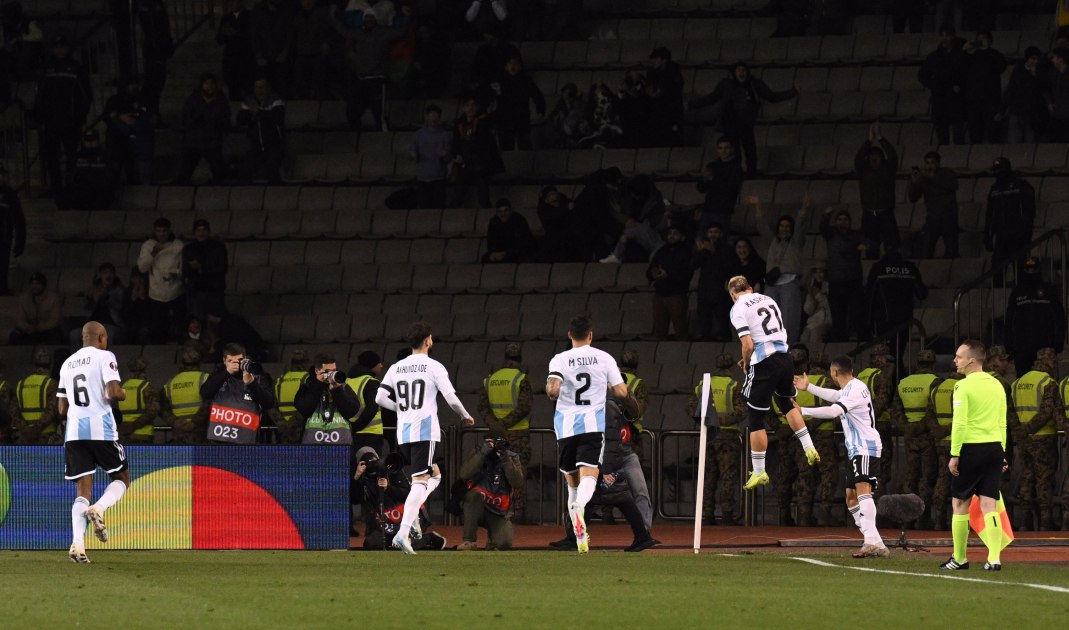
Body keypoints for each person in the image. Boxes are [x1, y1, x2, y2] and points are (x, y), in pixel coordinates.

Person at [375, 321, 475, 554]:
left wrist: (400, 408)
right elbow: (450, 398)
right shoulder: (433, 366)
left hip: (403, 431)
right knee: (421, 481)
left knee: (435, 476)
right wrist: (465, 415)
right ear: (428, 340)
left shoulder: (396, 367)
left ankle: (413, 509)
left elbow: (380, 398)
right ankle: (403, 532)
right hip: (424, 430)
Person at [545, 314, 636, 553]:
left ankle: (578, 535)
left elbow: (552, 389)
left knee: (571, 482)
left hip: (564, 427)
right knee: (590, 476)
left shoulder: (560, 359)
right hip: (591, 425)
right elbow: (621, 391)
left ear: (569, 335)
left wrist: (554, 390)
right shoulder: (604, 358)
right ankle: (580, 507)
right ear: (591, 335)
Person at [726, 276, 819, 493]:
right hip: (784, 358)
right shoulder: (767, 299)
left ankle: (759, 471)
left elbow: (748, 344)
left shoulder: (737, 307)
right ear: (750, 288)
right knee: (786, 403)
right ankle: (809, 447)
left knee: (756, 417)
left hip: (764, 361)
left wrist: (747, 364)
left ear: (732, 294)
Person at [794, 355, 889, 558]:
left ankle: (871, 542)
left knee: (863, 491)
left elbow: (833, 411)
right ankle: (875, 540)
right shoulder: (850, 388)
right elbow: (834, 396)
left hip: (866, 446)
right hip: (855, 448)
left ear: (834, 372)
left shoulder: (854, 390)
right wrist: (809, 388)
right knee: (851, 498)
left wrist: (803, 411)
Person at [58, 321, 129, 564]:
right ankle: (99, 508)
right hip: (102, 429)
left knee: (82, 490)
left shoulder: (67, 364)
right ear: (101, 337)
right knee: (121, 479)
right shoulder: (105, 356)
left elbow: (61, 408)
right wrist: (123, 393)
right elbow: (112, 392)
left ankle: (78, 544)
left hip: (74, 432)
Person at [939, 340, 1009, 571]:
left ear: (971, 360)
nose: (955, 361)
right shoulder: (997, 384)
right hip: (994, 448)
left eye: (959, 357)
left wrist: (954, 454)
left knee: (960, 503)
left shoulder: (963, 386)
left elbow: (960, 423)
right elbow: (1002, 423)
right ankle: (994, 558)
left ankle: (959, 558)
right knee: (990, 503)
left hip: (971, 448)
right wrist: (1003, 453)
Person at [689, 62, 797, 175]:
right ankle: (735, 176)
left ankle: (751, 176)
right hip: (730, 123)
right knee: (734, 153)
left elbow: (772, 97)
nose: (741, 72)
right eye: (738, 70)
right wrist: (691, 105)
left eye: (743, 70)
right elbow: (712, 98)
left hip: (746, 124)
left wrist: (793, 92)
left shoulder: (754, 84)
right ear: (734, 72)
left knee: (750, 152)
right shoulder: (726, 84)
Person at [332, 4, 411, 131]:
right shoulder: (359, 33)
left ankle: (384, 139)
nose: (369, 20)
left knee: (379, 113)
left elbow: (400, 32)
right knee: (353, 111)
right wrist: (334, 16)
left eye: (371, 17)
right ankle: (357, 137)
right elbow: (343, 30)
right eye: (366, 17)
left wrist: (407, 17)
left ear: (375, 19)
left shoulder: (383, 32)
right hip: (362, 79)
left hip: (378, 80)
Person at [688, 353, 745, 525]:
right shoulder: (734, 385)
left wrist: (706, 421)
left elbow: (691, 407)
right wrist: (723, 421)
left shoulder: (703, 384)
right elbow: (742, 411)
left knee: (708, 476)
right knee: (727, 477)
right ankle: (727, 516)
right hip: (728, 437)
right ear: (730, 367)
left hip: (708, 434)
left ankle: (707, 515)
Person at [353, 446, 446, 551]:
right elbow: (355, 499)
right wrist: (357, 477)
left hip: (408, 517)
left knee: (403, 543)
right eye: (367, 463)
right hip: (386, 523)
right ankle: (403, 541)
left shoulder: (392, 468)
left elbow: (407, 494)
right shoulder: (362, 479)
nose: (372, 465)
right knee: (371, 544)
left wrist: (388, 488)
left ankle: (430, 538)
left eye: (374, 461)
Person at [478, 343, 531, 522]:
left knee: (495, 474)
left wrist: (496, 425)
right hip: (518, 436)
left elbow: (482, 407)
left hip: (496, 436)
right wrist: (506, 424)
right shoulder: (521, 378)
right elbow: (524, 407)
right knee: (518, 474)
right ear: (521, 358)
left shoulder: (490, 379)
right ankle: (516, 514)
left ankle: (496, 511)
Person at [1010, 347, 1061, 532]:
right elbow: (1047, 413)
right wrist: (1029, 429)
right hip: (1044, 439)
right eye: (1054, 362)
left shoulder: (1017, 383)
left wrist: (1021, 431)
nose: (1055, 365)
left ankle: (1024, 521)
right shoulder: (1049, 382)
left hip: (1024, 441)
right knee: (1044, 480)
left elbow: (1010, 413)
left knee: (1027, 478)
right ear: (1048, 362)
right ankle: (1046, 523)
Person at [891, 349, 942, 529]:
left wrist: (908, 428)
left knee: (911, 477)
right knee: (927, 477)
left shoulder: (904, 383)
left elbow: (895, 413)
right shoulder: (936, 382)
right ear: (933, 364)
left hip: (910, 437)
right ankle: (923, 517)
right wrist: (921, 427)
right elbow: (934, 409)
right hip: (927, 436)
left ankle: (907, 519)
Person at [750, 192, 811, 344]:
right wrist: (758, 206)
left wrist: (804, 209)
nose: (784, 229)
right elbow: (762, 227)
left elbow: (801, 227)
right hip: (772, 284)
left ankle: (789, 346)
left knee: (789, 318)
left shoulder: (796, 242)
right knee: (769, 318)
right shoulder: (772, 241)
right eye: (781, 226)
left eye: (787, 226)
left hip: (789, 282)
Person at [36, 36, 92, 194]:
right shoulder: (48, 68)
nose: (60, 50)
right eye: (57, 46)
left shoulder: (75, 68)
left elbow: (86, 95)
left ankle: (71, 186)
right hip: (51, 121)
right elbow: (41, 94)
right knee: (52, 158)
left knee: (71, 156)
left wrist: (79, 118)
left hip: (70, 121)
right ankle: (57, 188)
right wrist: (39, 115)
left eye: (63, 46)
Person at [456, 436, 524, 550]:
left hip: (498, 511)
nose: (495, 446)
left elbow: (517, 482)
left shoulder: (512, 457)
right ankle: (469, 541)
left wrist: (505, 458)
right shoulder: (478, 453)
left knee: (504, 543)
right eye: (492, 443)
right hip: (477, 508)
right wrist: (483, 453)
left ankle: (493, 540)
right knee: (473, 496)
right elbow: (464, 474)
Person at [201, 342, 276, 444]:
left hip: (246, 444)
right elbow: (205, 393)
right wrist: (226, 372)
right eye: (231, 361)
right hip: (218, 442)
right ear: (224, 360)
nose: (235, 365)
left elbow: (269, 403)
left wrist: (251, 383)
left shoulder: (257, 378)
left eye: (239, 361)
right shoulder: (217, 376)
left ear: (245, 359)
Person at [1005, 257, 1066, 377]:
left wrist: (1057, 344)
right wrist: (1010, 346)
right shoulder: (1017, 292)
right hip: (1022, 349)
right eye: (1028, 270)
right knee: (1024, 382)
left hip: (1045, 348)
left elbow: (1059, 319)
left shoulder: (1049, 291)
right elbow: (1009, 320)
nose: (1031, 273)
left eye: (1033, 269)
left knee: (1045, 383)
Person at [865, 247, 927, 356]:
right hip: (905, 319)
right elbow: (922, 294)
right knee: (898, 353)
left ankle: (895, 371)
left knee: (888, 355)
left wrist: (868, 321)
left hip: (884, 319)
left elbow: (869, 295)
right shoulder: (910, 268)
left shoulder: (878, 268)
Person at [984, 157, 1035, 284]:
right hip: (1001, 235)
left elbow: (1030, 212)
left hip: (1019, 235)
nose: (996, 174)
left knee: (1021, 270)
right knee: (998, 271)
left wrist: (1027, 234)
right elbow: (989, 214)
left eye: (998, 170)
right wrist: (987, 236)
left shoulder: (1021, 186)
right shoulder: (994, 189)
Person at [820, 207, 867, 341]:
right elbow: (823, 228)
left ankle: (862, 339)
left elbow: (871, 243)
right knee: (838, 315)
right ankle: (840, 341)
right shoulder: (832, 234)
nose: (842, 222)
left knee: (857, 313)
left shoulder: (856, 235)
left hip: (853, 280)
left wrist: (864, 246)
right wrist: (826, 216)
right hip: (836, 281)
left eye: (845, 219)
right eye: (839, 219)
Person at [925, 364, 963, 530]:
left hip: (940, 442)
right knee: (961, 480)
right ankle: (961, 520)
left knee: (942, 478)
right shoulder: (961, 387)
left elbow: (930, 416)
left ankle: (938, 520)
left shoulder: (937, 389)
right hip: (958, 442)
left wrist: (938, 431)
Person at [175, 73, 231, 185]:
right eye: (206, 83)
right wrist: (197, 121)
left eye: (212, 83)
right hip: (193, 142)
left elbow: (225, 119)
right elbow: (185, 119)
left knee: (219, 172)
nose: (209, 86)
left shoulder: (221, 100)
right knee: (184, 173)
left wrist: (216, 126)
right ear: (202, 85)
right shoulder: (193, 99)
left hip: (212, 142)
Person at [855, 122, 899, 259]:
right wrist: (869, 141)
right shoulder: (863, 171)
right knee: (871, 249)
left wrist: (880, 138)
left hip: (886, 214)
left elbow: (893, 156)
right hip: (869, 215)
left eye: (877, 155)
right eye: (871, 156)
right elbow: (857, 159)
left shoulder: (888, 170)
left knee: (891, 248)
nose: (874, 158)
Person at [136, 217, 184, 343]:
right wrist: (153, 253)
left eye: (164, 231)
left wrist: (176, 274)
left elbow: (184, 269)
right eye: (159, 231)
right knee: (157, 330)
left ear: (169, 231)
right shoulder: (148, 245)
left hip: (175, 292)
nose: (162, 234)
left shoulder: (178, 246)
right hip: (155, 294)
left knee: (177, 327)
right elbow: (142, 268)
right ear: (154, 232)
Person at [450, 97, 503, 209]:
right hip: (465, 165)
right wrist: (457, 155)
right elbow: (456, 144)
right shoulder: (459, 124)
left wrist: (499, 96)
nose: (471, 108)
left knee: (483, 197)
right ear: (464, 108)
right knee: (457, 197)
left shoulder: (484, 121)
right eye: (468, 105)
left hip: (481, 165)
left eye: (473, 105)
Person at [294, 352, 359, 444]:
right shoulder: (307, 386)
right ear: (317, 371)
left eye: (334, 371)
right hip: (312, 446)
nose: (331, 375)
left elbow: (352, 411)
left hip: (340, 446)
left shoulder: (342, 386)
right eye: (327, 372)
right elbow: (305, 410)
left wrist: (337, 390)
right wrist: (318, 385)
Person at [919, 25, 967, 145]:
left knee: (958, 137)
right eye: (942, 35)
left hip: (957, 101)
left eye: (948, 35)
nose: (945, 39)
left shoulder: (961, 55)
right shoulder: (933, 57)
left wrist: (960, 86)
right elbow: (922, 75)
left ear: (953, 37)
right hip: (940, 100)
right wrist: (935, 86)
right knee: (942, 138)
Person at [101, 75, 154, 184]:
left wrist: (120, 118)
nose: (136, 86)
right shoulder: (114, 100)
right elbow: (107, 117)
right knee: (115, 175)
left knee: (134, 176)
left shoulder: (142, 99)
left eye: (136, 84)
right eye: (132, 84)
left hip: (136, 144)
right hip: (117, 142)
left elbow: (145, 118)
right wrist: (119, 118)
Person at [856, 345, 895, 494]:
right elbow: (882, 401)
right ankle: (878, 508)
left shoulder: (860, 375)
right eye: (885, 358)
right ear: (878, 358)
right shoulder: (880, 375)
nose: (887, 363)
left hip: (860, 428)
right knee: (880, 468)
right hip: (878, 427)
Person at [486, 55, 544, 150]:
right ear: (505, 67)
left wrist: (541, 109)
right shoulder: (500, 80)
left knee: (524, 146)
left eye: (515, 64)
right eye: (510, 64)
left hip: (521, 117)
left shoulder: (525, 80)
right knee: (505, 147)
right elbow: (490, 98)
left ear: (520, 66)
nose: (512, 66)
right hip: (504, 120)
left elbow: (537, 95)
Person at [908, 151, 959, 259]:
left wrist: (932, 177)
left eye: (932, 163)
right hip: (932, 219)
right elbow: (913, 198)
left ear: (938, 164)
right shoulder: (923, 178)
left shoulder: (947, 173)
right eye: (927, 163)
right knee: (926, 252)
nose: (929, 166)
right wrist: (914, 183)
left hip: (948, 218)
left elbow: (952, 185)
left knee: (951, 252)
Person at [646, 226, 694, 340]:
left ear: (682, 236)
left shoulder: (686, 252)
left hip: (676, 295)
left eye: (675, 233)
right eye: (670, 233)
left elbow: (686, 274)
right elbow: (650, 269)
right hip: (659, 294)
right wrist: (653, 274)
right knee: (659, 330)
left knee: (680, 329)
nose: (671, 236)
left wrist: (668, 275)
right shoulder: (661, 251)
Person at [237, 77, 285, 183]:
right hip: (256, 145)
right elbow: (240, 120)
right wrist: (250, 113)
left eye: (262, 87)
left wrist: (259, 112)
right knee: (244, 172)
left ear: (268, 87)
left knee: (271, 171)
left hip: (274, 145)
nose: (260, 90)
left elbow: (277, 118)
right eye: (257, 87)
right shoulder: (249, 100)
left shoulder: (275, 99)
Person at [69, 262, 125, 349]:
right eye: (105, 272)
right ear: (100, 275)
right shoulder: (94, 289)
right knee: (74, 334)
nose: (108, 275)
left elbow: (119, 306)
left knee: (106, 332)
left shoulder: (120, 289)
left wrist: (107, 297)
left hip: (113, 325)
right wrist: (89, 298)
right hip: (93, 325)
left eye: (110, 272)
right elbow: (86, 309)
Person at [57, 129, 117, 210]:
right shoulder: (77, 157)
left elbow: (111, 176)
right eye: (87, 141)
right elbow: (71, 176)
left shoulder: (105, 156)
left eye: (93, 140)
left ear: (97, 141)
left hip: (99, 190)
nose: (90, 143)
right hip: (82, 191)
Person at [161, 346, 210, 445]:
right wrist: (194, 422)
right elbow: (211, 404)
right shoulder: (206, 379)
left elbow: (161, 409)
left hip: (179, 435)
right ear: (199, 361)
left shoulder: (170, 384)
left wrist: (176, 422)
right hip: (202, 433)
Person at [692, 222, 733, 341]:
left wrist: (713, 252)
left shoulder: (727, 249)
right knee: (705, 323)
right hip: (704, 291)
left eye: (715, 232)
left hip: (721, 292)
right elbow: (693, 265)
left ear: (720, 234)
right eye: (710, 232)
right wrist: (703, 251)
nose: (713, 235)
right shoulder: (702, 249)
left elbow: (727, 266)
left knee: (723, 323)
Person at [696, 137, 744, 236]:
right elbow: (701, 188)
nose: (723, 151)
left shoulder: (736, 168)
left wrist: (712, 179)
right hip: (708, 209)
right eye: (720, 148)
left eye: (726, 148)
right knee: (701, 240)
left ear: (732, 149)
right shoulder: (712, 166)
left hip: (723, 211)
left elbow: (730, 188)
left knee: (720, 241)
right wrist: (704, 179)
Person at [997, 47, 1046, 143]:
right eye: (1033, 58)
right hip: (1017, 110)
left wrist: (1034, 74)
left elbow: (1041, 89)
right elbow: (1011, 90)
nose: (1035, 61)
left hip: (1032, 114)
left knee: (1030, 141)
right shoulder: (1018, 70)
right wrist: (1002, 111)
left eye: (1037, 59)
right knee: (1014, 140)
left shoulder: (1041, 71)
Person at [183, 219, 228, 321]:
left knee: (214, 322)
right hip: (196, 292)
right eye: (198, 230)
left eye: (204, 230)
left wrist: (202, 268)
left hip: (214, 291)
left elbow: (223, 268)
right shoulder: (189, 249)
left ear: (208, 231)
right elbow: (185, 271)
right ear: (194, 232)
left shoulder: (218, 247)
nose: (201, 233)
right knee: (197, 321)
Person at [11, 347, 58, 444]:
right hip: (47, 438)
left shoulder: (21, 384)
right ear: (51, 364)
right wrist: (36, 429)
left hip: (25, 438)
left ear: (33, 364)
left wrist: (25, 430)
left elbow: (14, 412)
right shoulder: (51, 383)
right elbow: (53, 411)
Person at [346, 350, 388, 454]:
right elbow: (371, 409)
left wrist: (351, 428)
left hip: (347, 433)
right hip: (370, 435)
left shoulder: (346, 381)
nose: (381, 366)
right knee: (371, 467)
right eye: (379, 363)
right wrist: (356, 427)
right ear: (372, 365)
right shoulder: (372, 383)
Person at [410, 104, 452, 209]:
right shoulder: (418, 134)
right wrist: (413, 156)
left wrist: (445, 155)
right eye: (431, 115)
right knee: (424, 207)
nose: (433, 118)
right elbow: (412, 154)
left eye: (436, 116)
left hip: (439, 177)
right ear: (427, 117)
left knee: (438, 206)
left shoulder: (444, 135)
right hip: (422, 177)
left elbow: (448, 159)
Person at [137, 0, 173, 116]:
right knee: (154, 83)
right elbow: (155, 29)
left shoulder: (156, 7)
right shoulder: (148, 9)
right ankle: (150, 112)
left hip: (158, 49)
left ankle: (151, 112)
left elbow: (164, 29)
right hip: (155, 50)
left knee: (157, 83)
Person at [9, 272, 63, 345]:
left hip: (46, 329)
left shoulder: (52, 298)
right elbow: (19, 318)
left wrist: (40, 327)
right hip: (29, 330)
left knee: (54, 336)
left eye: (37, 284)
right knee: (15, 335)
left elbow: (55, 320)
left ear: (43, 285)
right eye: (32, 284)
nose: (34, 286)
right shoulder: (24, 298)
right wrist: (27, 327)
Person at [645, 47, 684, 146]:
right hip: (656, 113)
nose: (653, 61)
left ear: (664, 60)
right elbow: (650, 91)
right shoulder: (651, 73)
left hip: (671, 113)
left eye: (656, 59)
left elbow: (674, 94)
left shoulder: (674, 73)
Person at [217, 0, 255, 101]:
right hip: (231, 59)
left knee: (248, 89)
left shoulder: (249, 16)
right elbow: (219, 40)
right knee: (233, 90)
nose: (232, 4)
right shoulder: (226, 18)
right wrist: (224, 33)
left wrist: (235, 33)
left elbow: (252, 35)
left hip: (246, 58)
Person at [117, 356, 159, 445]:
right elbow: (153, 410)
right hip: (143, 436)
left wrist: (124, 428)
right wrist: (134, 425)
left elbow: (114, 411)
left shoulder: (122, 388)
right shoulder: (146, 386)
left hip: (124, 436)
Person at [270, 349, 309, 444]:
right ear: (306, 362)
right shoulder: (309, 379)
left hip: (283, 432)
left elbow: (270, 406)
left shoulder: (279, 380)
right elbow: (310, 405)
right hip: (302, 431)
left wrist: (282, 424)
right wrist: (293, 424)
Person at [0, 164, 26, 296]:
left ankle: (2, 287)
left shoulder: (9, 194)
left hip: (4, 235)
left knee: (3, 264)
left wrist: (20, 242)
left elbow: (19, 219)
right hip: (5, 234)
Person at [482, 198, 533, 263]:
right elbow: (491, 240)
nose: (503, 214)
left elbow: (523, 242)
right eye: (500, 212)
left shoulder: (519, 220)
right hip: (500, 252)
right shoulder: (493, 222)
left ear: (510, 211)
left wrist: (506, 253)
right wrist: (494, 253)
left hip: (516, 251)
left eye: (506, 211)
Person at [800, 266, 831, 347]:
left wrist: (819, 296)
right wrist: (811, 296)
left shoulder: (829, 285)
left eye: (820, 272)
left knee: (815, 335)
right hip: (813, 321)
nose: (818, 275)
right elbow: (808, 310)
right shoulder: (812, 285)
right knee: (804, 337)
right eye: (815, 272)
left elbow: (830, 307)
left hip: (827, 320)